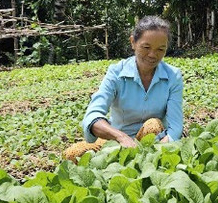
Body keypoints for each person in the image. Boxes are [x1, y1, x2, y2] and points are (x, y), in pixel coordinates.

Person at [62, 16, 184, 162]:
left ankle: (141, 163)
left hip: (154, 141)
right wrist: (121, 137)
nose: (153, 54)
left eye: (160, 49)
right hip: (118, 141)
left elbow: (175, 126)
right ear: (133, 42)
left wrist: (161, 148)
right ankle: (123, 162)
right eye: (146, 47)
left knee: (152, 125)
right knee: (72, 154)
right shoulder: (116, 73)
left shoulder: (173, 76)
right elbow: (92, 117)